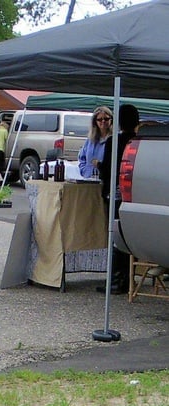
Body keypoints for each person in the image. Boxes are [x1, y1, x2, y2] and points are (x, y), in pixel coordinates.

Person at [96, 104, 140, 295]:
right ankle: (128, 277)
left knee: (116, 237)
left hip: (116, 193)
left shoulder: (115, 141)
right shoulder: (139, 141)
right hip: (135, 194)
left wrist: (99, 167)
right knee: (130, 236)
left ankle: (116, 280)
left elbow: (107, 168)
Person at [78, 106, 113, 178]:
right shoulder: (90, 140)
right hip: (89, 180)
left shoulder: (115, 140)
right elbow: (82, 158)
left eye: (106, 119)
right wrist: (84, 171)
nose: (103, 121)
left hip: (107, 181)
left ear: (111, 120)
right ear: (95, 122)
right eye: (100, 119)